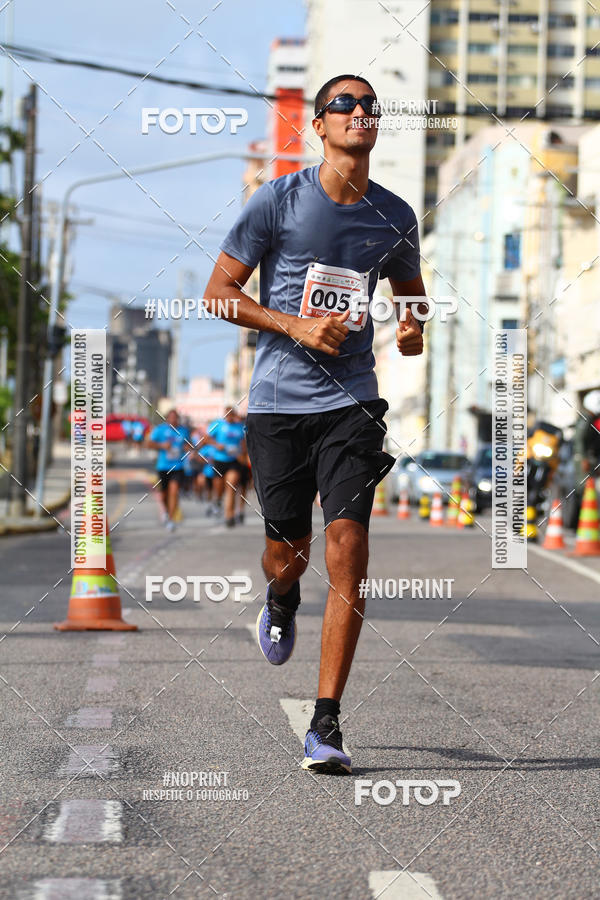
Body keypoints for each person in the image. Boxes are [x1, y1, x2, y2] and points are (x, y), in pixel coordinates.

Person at [204, 74, 426, 774]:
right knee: (288, 550)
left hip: (353, 402)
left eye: (371, 107)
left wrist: (413, 327)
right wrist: (293, 323)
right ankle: (280, 595)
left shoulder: (394, 216)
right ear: (321, 126)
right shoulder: (278, 202)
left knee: (349, 547)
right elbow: (217, 295)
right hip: (278, 401)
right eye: (346, 105)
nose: (361, 113)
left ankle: (325, 723)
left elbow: (412, 297)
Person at [145, 409, 191, 531]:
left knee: (174, 492)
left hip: (178, 466)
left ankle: (170, 519)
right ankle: (165, 511)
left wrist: (188, 449)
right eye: (171, 418)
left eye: (175, 418)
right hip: (163, 466)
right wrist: (162, 446)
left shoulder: (183, 431)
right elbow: (149, 444)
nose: (173, 420)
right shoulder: (160, 430)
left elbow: (187, 445)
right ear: (167, 419)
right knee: (164, 494)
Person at [207, 410, 247, 528]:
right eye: (228, 415)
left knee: (231, 486)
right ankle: (218, 500)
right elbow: (206, 438)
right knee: (219, 488)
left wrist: (243, 454)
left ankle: (229, 516)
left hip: (234, 461)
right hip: (219, 460)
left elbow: (243, 442)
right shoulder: (218, 424)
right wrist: (216, 445)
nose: (230, 417)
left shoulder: (239, 427)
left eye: (232, 415)